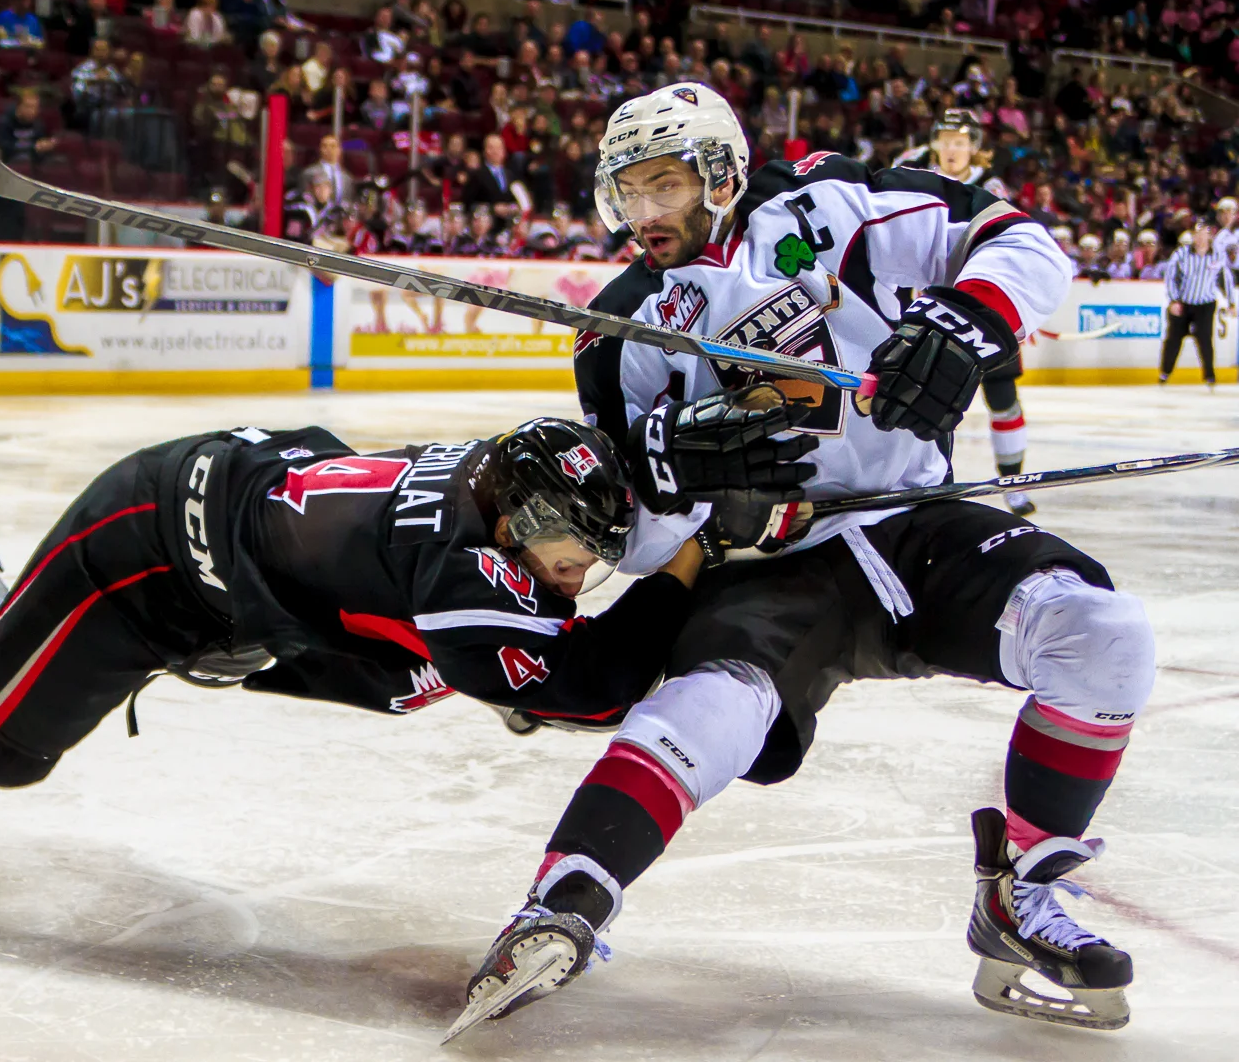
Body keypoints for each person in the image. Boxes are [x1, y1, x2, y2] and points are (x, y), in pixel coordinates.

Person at [453, 83, 1152, 1039]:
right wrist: (671, 470)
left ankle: (1020, 890)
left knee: (1101, 634)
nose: (645, 215)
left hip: (918, 518)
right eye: (629, 193)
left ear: (722, 173)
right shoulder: (623, 324)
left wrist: (967, 319)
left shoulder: (830, 201)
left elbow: (1024, 242)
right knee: (708, 708)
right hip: (769, 560)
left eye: (664, 186)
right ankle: (563, 901)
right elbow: (639, 536)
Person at [0, 419, 705, 797]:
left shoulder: (496, 476)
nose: (569, 581)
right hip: (143, 559)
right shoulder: (463, 573)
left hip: (212, 550)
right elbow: (599, 684)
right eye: (566, 562)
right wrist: (696, 562)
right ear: (517, 526)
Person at [892, 109, 1031, 511]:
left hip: (981, 303)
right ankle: (930, 482)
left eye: (961, 142)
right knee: (923, 393)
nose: (953, 150)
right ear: (935, 144)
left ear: (974, 148)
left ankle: (1014, 482)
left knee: (1002, 394)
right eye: (947, 141)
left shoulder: (992, 187)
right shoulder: (915, 177)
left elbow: (1007, 246)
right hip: (929, 306)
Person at [1158, 220, 1236, 389]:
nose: (1200, 238)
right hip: (1183, 303)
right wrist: (1173, 300)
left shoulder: (1217, 255)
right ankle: (1165, 373)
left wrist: (1231, 302)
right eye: (1197, 234)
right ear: (1193, 236)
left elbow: (1226, 279)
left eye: (1203, 234)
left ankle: (1209, 376)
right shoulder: (1181, 254)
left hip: (1205, 303)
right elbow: (1171, 277)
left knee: (1205, 339)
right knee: (1173, 339)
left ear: (1209, 236)